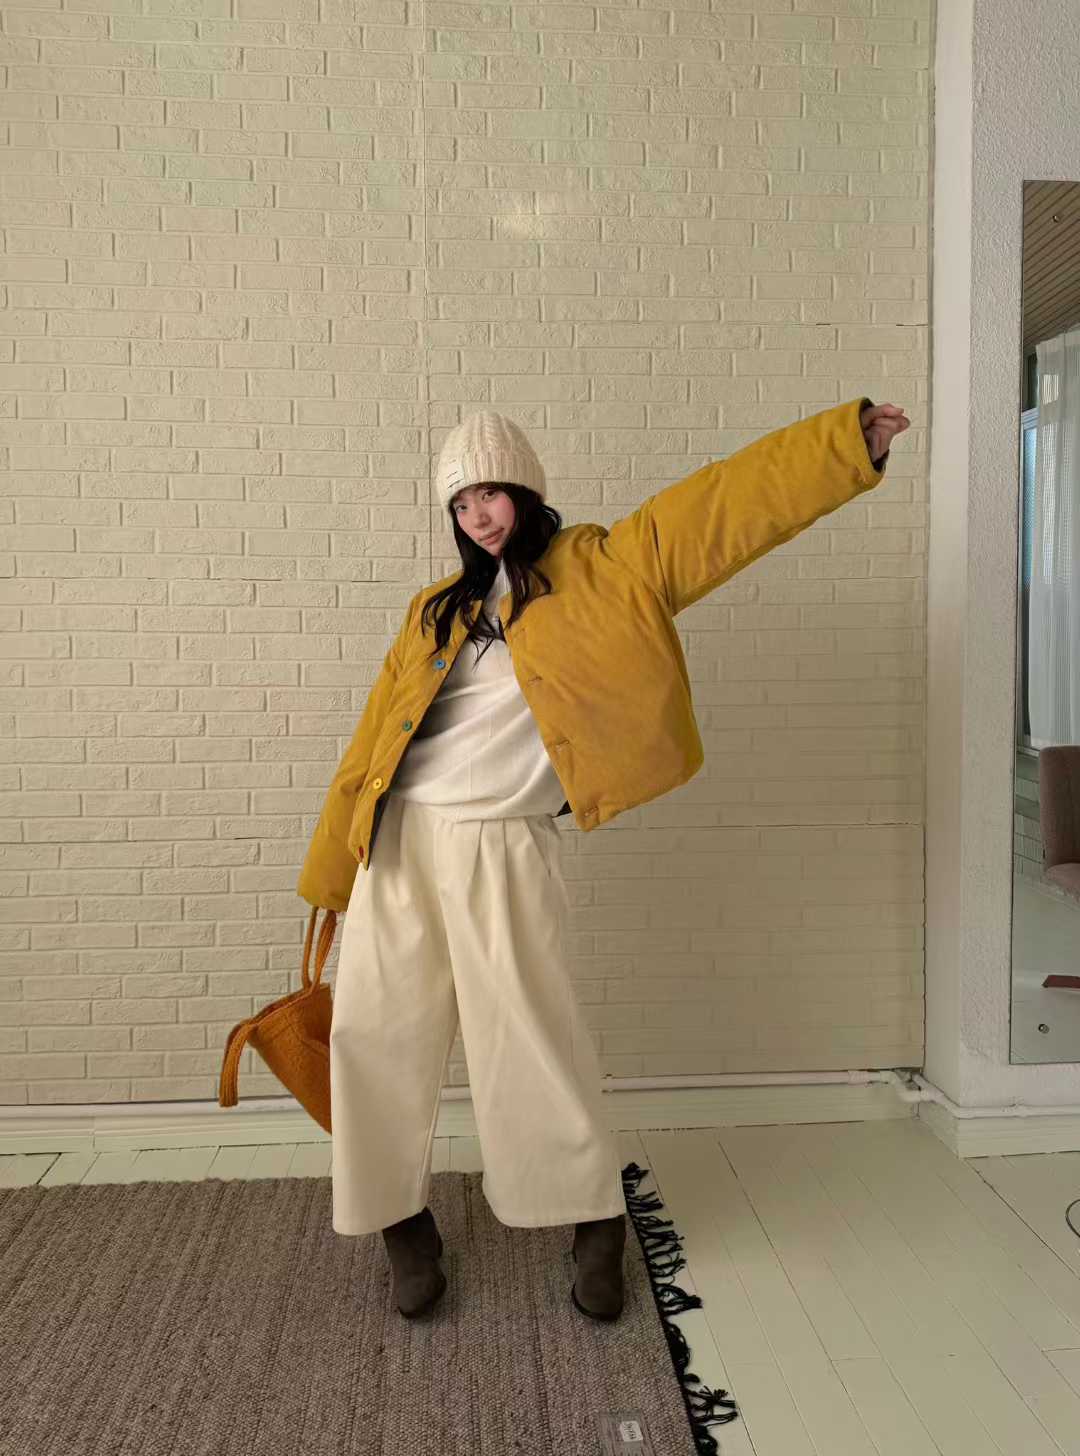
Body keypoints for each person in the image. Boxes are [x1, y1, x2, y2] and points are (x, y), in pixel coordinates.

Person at [298, 399, 910, 1321]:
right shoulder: (434, 611)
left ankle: (594, 1219)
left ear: (525, 489)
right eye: (460, 503)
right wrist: (332, 874)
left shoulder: (605, 568)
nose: (478, 516)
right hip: (398, 843)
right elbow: (372, 744)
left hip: (503, 839)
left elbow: (724, 508)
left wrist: (844, 444)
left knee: (530, 1036)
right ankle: (400, 1223)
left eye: (490, 493)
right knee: (374, 1034)